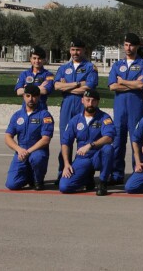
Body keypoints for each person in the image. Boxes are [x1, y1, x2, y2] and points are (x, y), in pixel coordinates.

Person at [108, 32, 143, 184]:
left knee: (137, 139)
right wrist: (131, 84)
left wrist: (123, 81)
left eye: (131, 45)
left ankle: (137, 170)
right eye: (126, 45)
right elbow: (112, 86)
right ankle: (116, 174)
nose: (128, 48)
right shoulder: (117, 65)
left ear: (137, 46)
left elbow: (141, 85)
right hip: (120, 108)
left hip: (136, 107)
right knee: (118, 141)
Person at [54, 38, 99, 181]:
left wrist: (67, 86)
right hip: (67, 106)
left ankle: (86, 175)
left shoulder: (90, 68)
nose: (75, 52)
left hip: (83, 106)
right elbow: (56, 86)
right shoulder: (63, 68)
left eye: (78, 50)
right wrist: (79, 84)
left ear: (84, 50)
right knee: (65, 139)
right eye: (73, 50)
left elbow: (89, 88)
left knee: (85, 139)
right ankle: (63, 172)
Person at [59, 89, 115, 196]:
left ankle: (103, 182)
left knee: (108, 149)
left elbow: (109, 137)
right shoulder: (75, 120)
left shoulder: (104, 118)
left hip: (97, 156)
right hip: (82, 158)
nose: (90, 103)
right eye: (87, 100)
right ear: (82, 101)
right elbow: (66, 142)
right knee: (64, 186)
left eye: (93, 101)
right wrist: (66, 164)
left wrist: (91, 145)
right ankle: (86, 178)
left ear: (98, 102)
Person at [4, 84, 54, 191]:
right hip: (21, 150)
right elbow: (8, 136)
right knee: (12, 184)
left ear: (39, 97)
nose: (31, 99)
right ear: (24, 96)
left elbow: (46, 139)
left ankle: (37, 179)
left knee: (37, 158)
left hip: (37, 150)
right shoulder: (17, 115)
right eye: (28, 96)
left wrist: (28, 151)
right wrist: (19, 150)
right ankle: (28, 175)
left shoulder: (45, 115)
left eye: (34, 96)